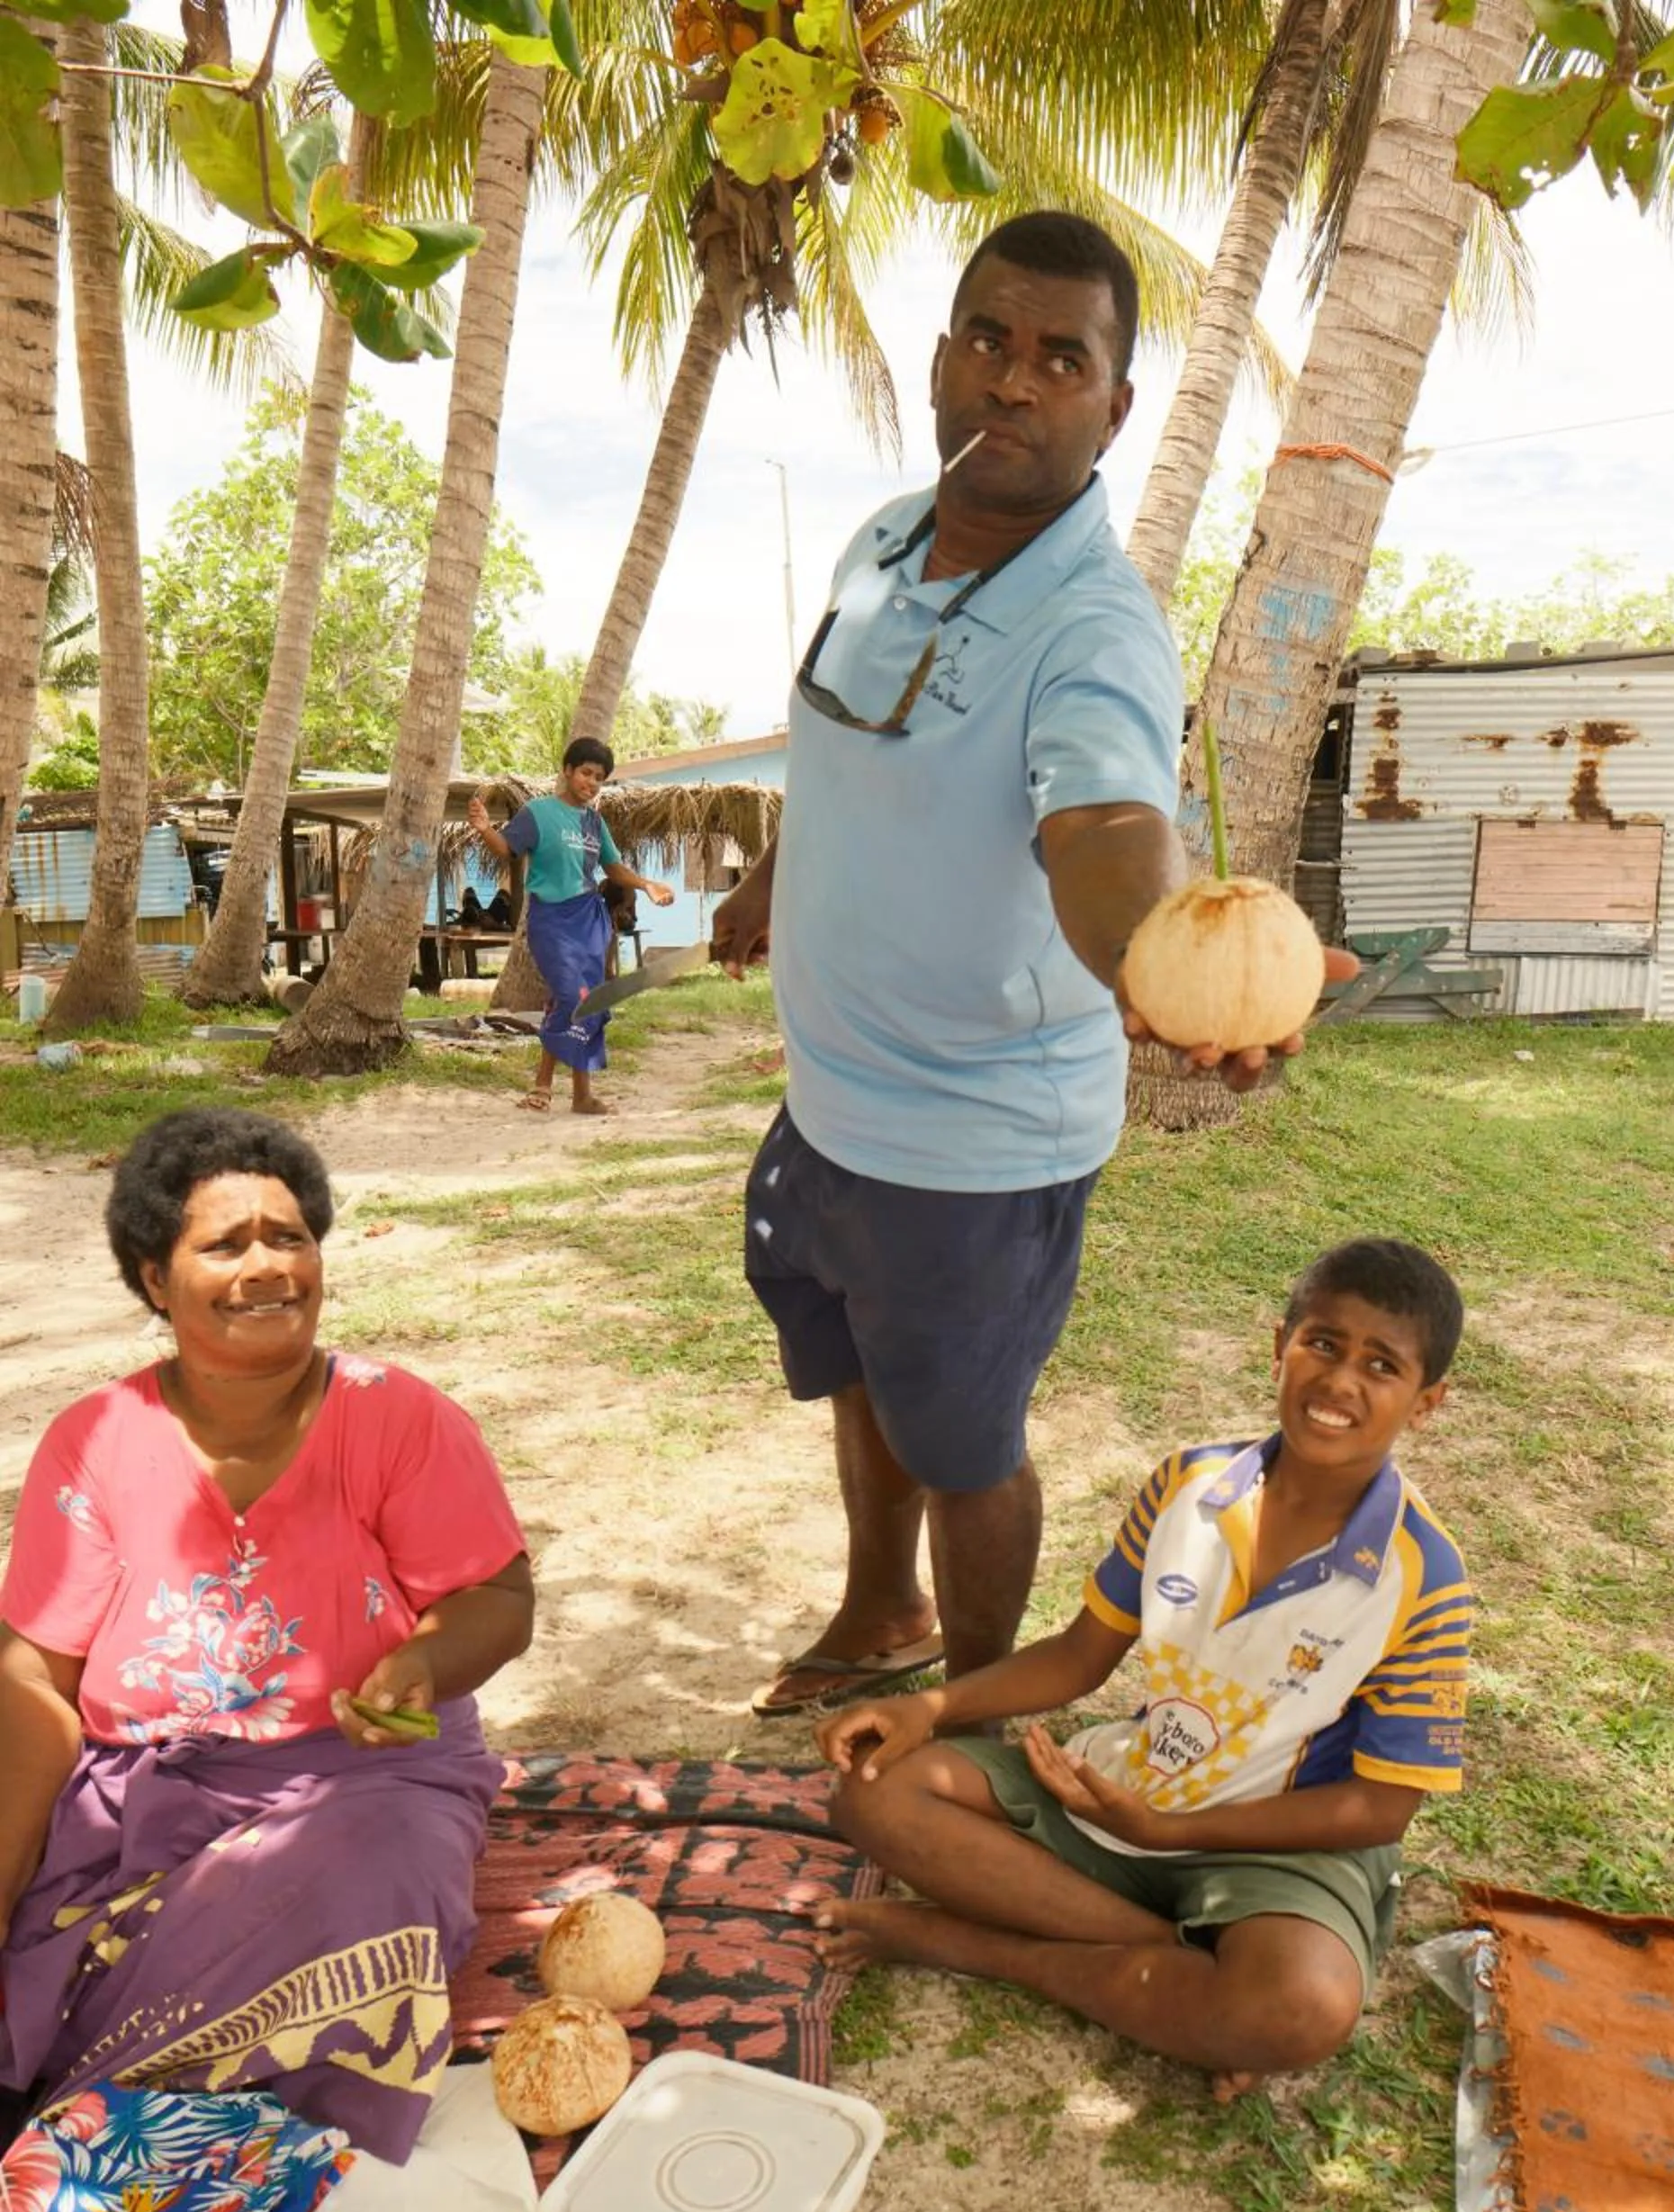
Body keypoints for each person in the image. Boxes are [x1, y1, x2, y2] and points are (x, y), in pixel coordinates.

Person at [713, 211, 1356, 1717]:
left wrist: (1158, 959)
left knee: (964, 1439)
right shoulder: (885, 541)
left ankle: (976, 1717)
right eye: (991, 340)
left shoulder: (1095, 627)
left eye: (1062, 358)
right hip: (833, 1103)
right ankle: (881, 1613)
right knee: (859, 1374)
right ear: (944, 357)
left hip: (970, 1141)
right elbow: (846, 742)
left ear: (1111, 409)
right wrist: (771, 869)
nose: (1016, 381)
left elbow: (1107, 829)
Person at [812, 1239, 1472, 2100]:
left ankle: (976, 1946)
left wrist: (1169, 1834)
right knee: (874, 1788)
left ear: (1425, 1404)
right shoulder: (1189, 1486)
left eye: (1381, 1365)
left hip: (1281, 1849)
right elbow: (1083, 1655)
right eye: (1323, 1343)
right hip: (1127, 1789)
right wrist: (930, 1707)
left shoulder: (1422, 1574)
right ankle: (1171, 1962)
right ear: (1279, 1346)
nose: (1341, 1381)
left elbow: (1381, 1809)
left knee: (1299, 2010)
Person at [0, 1108, 535, 2163]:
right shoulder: (95, 1440)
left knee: (364, 1886)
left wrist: (422, 1663)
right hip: (132, 1791)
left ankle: (89, 2115)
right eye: (225, 1244)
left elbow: (497, 1600)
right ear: (156, 1279)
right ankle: (92, 2102)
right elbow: (36, 1684)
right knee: (43, 1933)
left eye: (289, 1237)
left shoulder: (398, 1418)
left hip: (361, 1784)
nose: (267, 1268)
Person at [467, 739, 674, 1117]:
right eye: (586, 773)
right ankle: (544, 1084)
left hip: (590, 920)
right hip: (551, 920)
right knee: (572, 996)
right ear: (567, 770)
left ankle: (580, 1095)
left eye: (599, 778)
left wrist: (646, 884)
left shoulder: (595, 822)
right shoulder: (538, 813)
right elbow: (507, 849)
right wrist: (484, 829)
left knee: (585, 1000)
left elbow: (612, 868)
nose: (592, 783)